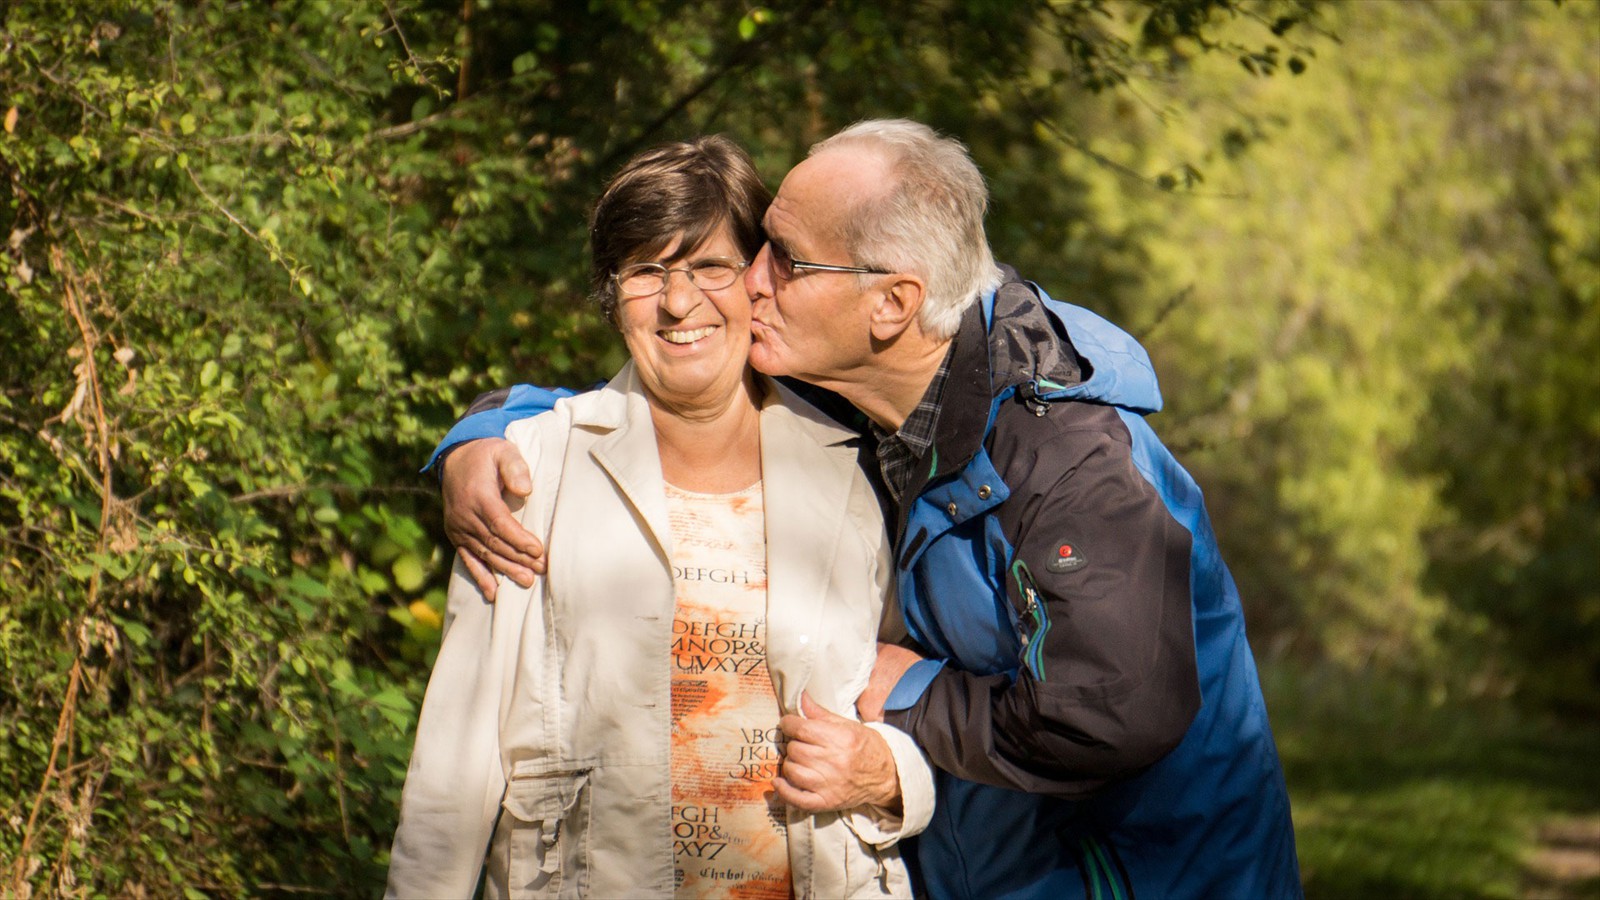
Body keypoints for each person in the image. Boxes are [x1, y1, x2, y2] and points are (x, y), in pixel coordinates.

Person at [436, 120, 1303, 899]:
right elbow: (648, 395)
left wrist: (914, 696)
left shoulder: (1068, 460)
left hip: (1137, 875)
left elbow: (1112, 712)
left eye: (785, 258)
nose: (749, 283)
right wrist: (485, 432)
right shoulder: (867, 389)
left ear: (891, 303)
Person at [386, 136, 934, 899]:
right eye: (646, 271)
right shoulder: (531, 467)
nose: (679, 303)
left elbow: (919, 703)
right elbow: (454, 765)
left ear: (760, 278)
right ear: (614, 295)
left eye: (710, 267)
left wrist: (893, 774)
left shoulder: (860, 473)